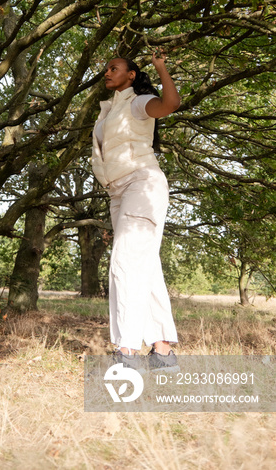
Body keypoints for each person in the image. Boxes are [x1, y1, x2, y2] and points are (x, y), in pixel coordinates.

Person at [91, 51, 181, 372]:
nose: (107, 72)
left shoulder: (138, 103)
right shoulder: (106, 112)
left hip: (143, 183)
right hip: (118, 191)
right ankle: (163, 351)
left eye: (113, 68)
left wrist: (160, 68)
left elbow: (171, 105)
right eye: (105, 69)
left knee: (125, 261)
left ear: (130, 75)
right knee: (145, 264)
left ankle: (126, 349)